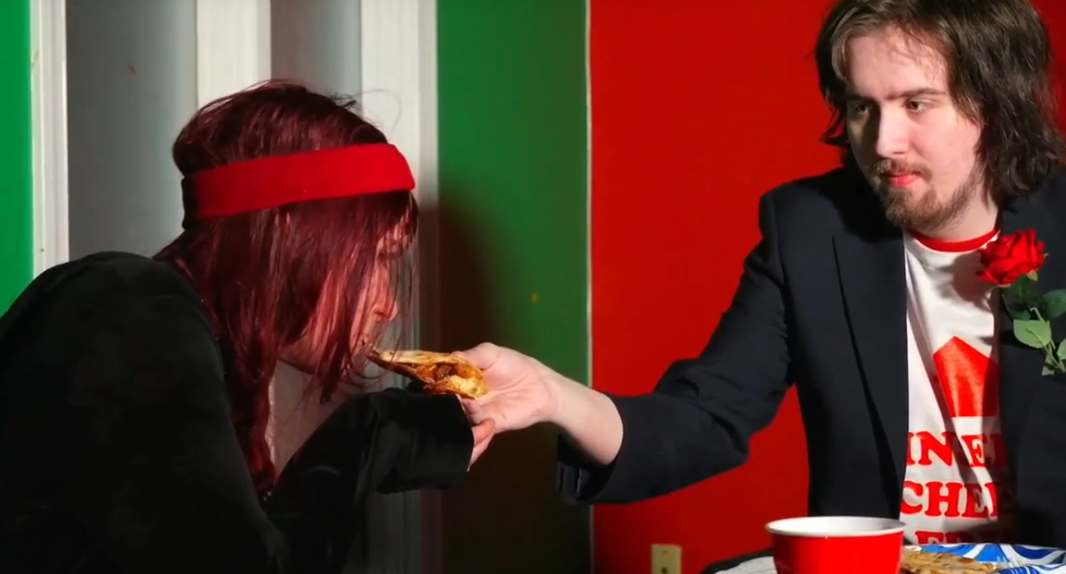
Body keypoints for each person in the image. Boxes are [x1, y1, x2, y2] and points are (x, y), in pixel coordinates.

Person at [460, 0, 1066, 548]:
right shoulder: (812, 232)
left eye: (916, 103)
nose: (883, 142)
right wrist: (554, 395)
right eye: (862, 107)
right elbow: (708, 416)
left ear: (995, 103)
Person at [0, 80, 494, 574]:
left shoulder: (165, 324)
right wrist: (373, 434)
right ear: (289, 231)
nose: (389, 306)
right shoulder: (132, 310)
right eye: (376, 257)